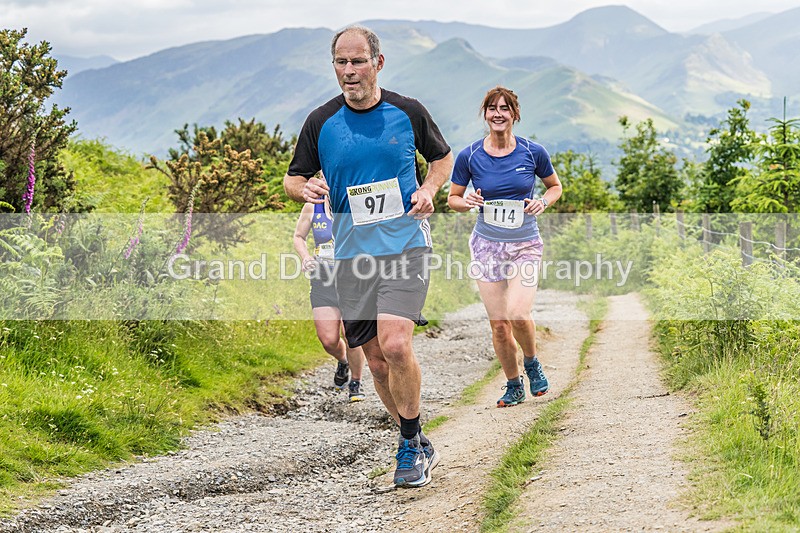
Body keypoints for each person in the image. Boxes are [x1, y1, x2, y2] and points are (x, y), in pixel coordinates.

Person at [284, 25, 454, 488]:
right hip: (350, 258)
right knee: (377, 362)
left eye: (358, 61)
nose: (349, 71)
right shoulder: (321, 121)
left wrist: (428, 189)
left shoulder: (407, 111)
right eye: (341, 62)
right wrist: (306, 188)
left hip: (405, 245)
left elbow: (442, 158)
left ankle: (409, 444)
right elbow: (293, 178)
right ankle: (413, 437)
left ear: (378, 63)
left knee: (396, 345)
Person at [448, 86, 562, 408]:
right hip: (486, 245)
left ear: (515, 114)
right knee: (499, 325)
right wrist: (467, 201)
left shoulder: (532, 152)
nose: (498, 114)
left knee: (518, 314)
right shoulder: (470, 155)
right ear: (485, 114)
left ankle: (532, 362)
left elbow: (555, 187)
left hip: (525, 243)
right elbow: (453, 198)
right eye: (492, 109)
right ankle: (513, 384)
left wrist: (542, 202)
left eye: (504, 108)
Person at [293, 198, 367, 401]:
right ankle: (343, 361)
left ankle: (356, 382)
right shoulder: (313, 206)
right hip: (323, 277)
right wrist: (306, 257)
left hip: (353, 277)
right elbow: (299, 236)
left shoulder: (354, 202)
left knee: (351, 333)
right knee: (328, 340)